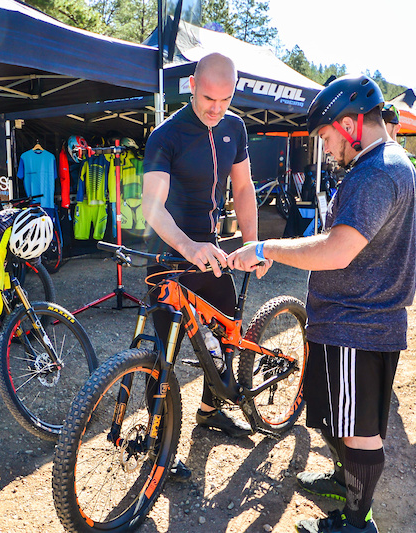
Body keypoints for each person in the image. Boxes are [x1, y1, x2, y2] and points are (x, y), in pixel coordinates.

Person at [229, 75, 416, 533]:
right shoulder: (387, 164)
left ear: (352, 124)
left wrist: (267, 249)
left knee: (358, 430)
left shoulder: (376, 172)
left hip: (358, 323)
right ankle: (342, 481)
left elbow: (338, 249)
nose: (328, 149)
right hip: (349, 320)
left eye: (328, 137)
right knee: (340, 417)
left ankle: (357, 523)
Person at [142, 52, 270, 481]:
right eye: (209, 97)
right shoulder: (167, 135)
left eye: (226, 99)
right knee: (162, 355)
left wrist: (253, 244)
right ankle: (159, 443)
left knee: (228, 326)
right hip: (168, 252)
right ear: (192, 84)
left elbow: (244, 186)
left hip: (210, 252)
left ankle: (210, 410)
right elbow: (153, 209)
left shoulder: (234, 127)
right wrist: (187, 245)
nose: (217, 108)